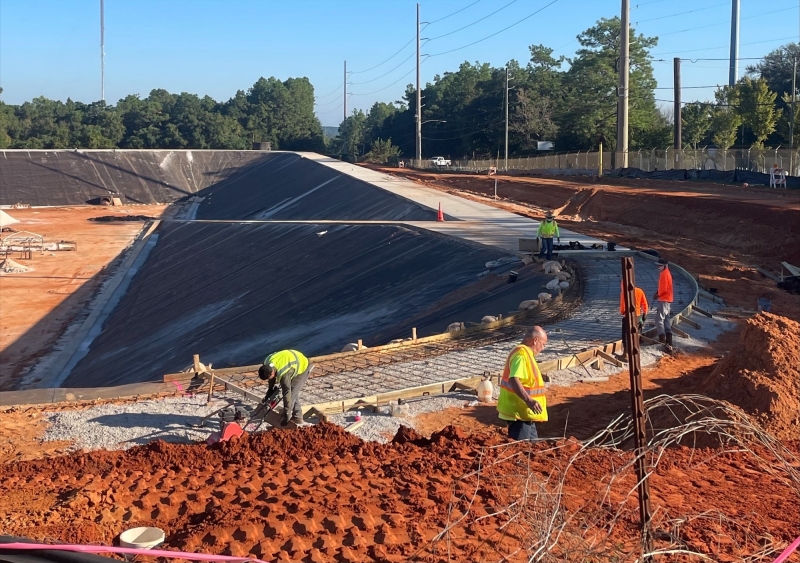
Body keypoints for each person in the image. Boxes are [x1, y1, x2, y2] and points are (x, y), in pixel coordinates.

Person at [497, 326, 548, 441]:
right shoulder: (521, 355)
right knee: (520, 449)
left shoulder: (526, 354)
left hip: (526, 413)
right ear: (535, 340)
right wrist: (529, 400)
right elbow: (514, 379)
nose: (543, 348)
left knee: (533, 448)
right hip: (519, 413)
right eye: (543, 344)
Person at [258, 349, 312, 426]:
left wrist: (287, 413)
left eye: (269, 378)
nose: (269, 380)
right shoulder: (267, 362)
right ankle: (297, 416)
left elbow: (287, 392)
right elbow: (271, 378)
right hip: (291, 358)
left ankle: (296, 418)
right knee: (293, 393)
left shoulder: (284, 374)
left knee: (292, 392)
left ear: (272, 372)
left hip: (303, 364)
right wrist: (270, 389)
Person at [618, 282, 649, 357]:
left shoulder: (624, 294)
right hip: (637, 316)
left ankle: (626, 353)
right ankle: (635, 351)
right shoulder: (639, 291)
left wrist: (622, 312)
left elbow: (622, 308)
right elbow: (645, 304)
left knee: (625, 334)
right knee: (635, 333)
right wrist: (644, 315)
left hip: (627, 317)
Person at [652, 258, 674, 351]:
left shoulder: (665, 274)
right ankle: (669, 341)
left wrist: (658, 295)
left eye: (659, 265)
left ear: (664, 266)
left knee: (659, 319)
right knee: (666, 320)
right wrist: (657, 292)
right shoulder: (665, 273)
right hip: (667, 299)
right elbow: (662, 287)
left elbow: (664, 289)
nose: (658, 267)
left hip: (664, 299)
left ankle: (662, 338)